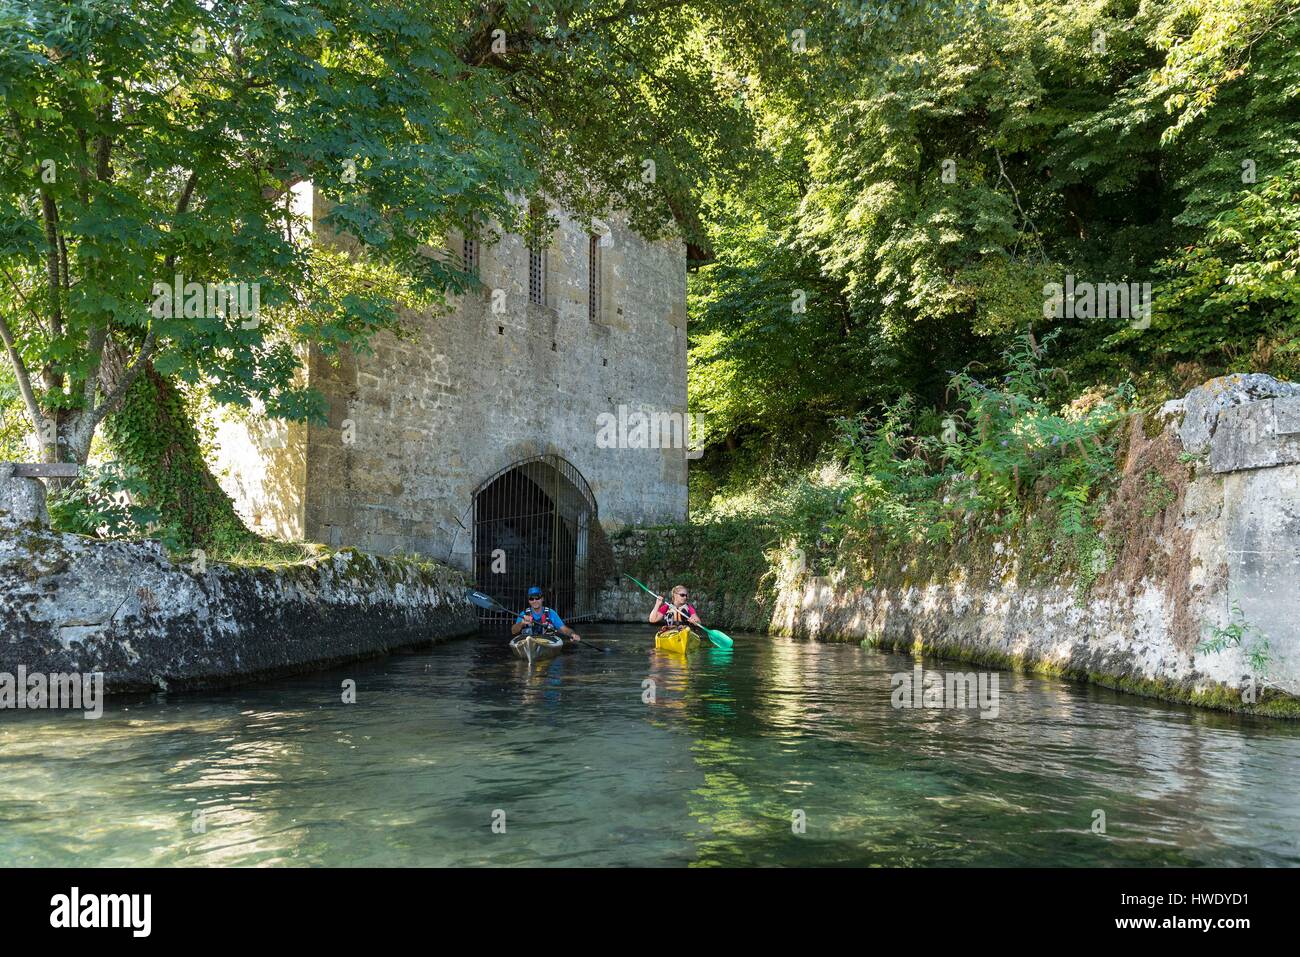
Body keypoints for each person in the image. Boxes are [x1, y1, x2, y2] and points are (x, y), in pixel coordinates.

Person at [512, 586, 582, 643]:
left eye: (537, 598)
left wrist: (572, 634)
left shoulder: (551, 613)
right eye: (531, 598)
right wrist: (521, 623)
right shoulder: (523, 614)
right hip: (527, 642)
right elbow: (513, 631)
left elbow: (564, 629)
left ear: (542, 599)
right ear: (529, 601)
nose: (534, 601)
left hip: (546, 642)